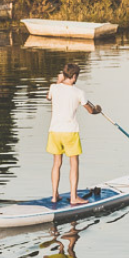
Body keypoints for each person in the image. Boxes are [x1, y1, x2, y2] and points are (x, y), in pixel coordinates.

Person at [46, 61, 102, 205]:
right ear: (75, 76)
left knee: (56, 163)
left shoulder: (54, 87)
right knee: (74, 164)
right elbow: (91, 111)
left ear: (64, 74)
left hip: (54, 131)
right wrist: (98, 109)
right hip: (70, 132)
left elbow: (48, 97)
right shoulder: (79, 93)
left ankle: (54, 195)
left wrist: (58, 81)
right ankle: (73, 197)